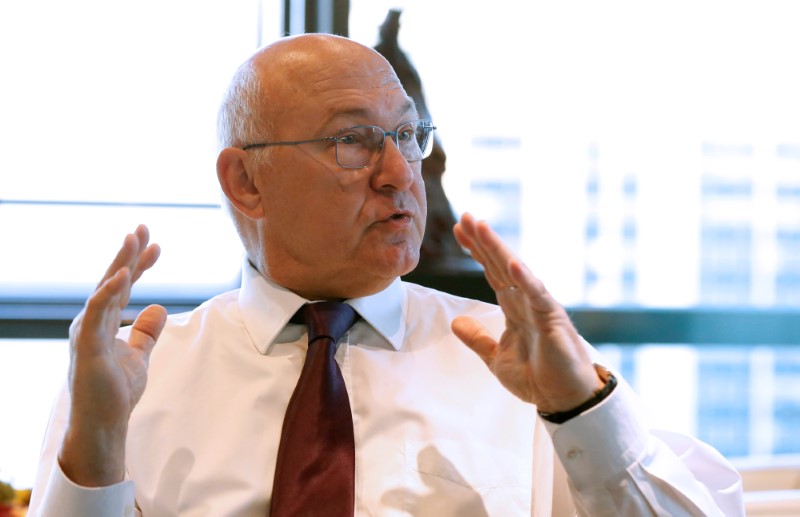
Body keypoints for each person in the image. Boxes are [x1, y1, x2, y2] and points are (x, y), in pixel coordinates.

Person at [28, 33, 744, 516]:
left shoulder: (518, 362)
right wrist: (95, 438)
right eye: (353, 141)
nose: (402, 173)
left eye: (407, 134)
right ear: (245, 180)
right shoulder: (130, 381)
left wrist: (579, 407)